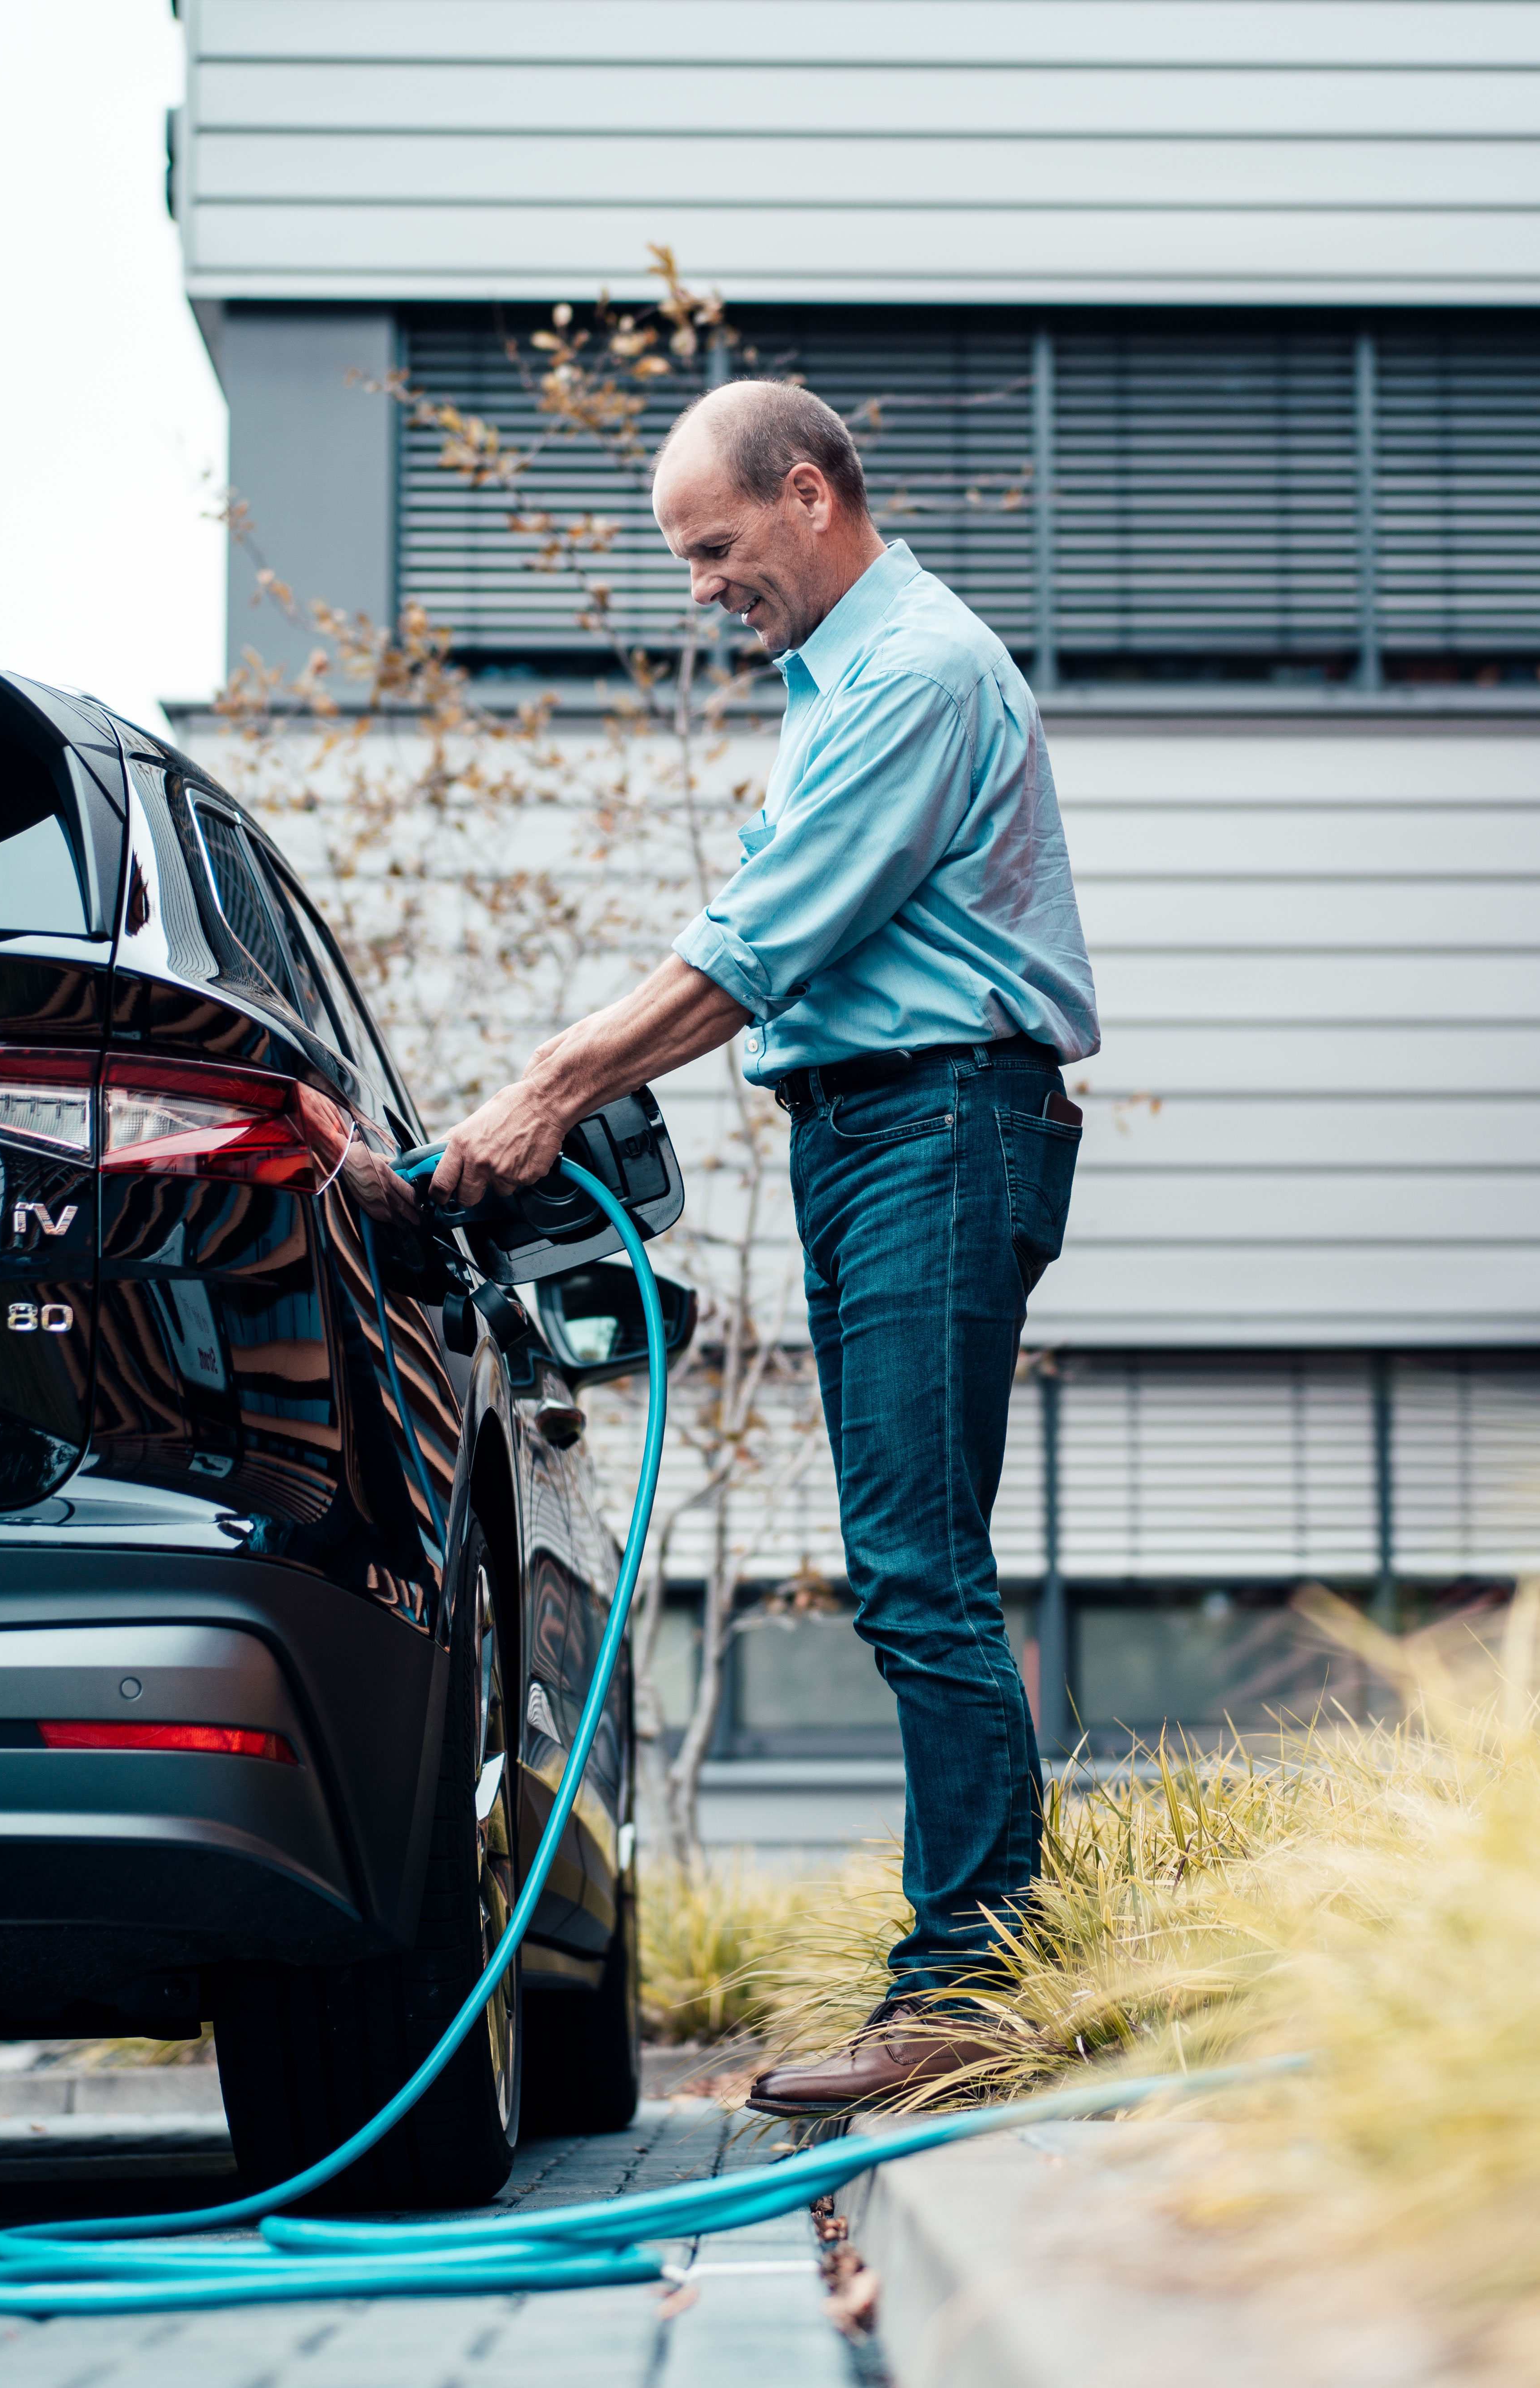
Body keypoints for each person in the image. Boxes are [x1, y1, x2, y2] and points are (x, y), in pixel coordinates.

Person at [433, 378, 1097, 2115]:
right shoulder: (846, 687)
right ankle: (971, 1975)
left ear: (810, 495)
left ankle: (969, 1993)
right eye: (687, 560)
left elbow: (762, 942)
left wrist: (549, 1090)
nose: (704, 588)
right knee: (911, 1560)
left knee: (919, 1568)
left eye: (717, 548)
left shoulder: (917, 676)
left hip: (938, 1125)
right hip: (887, 1131)